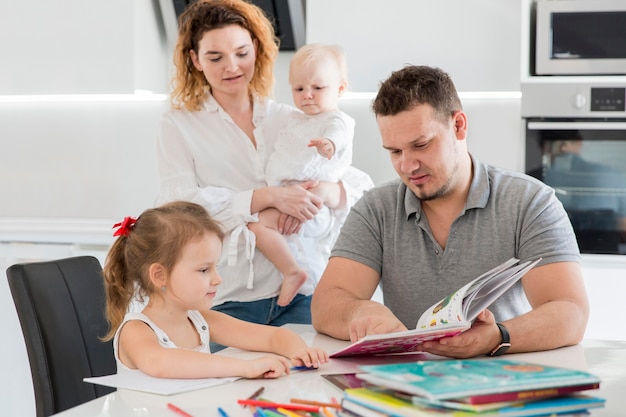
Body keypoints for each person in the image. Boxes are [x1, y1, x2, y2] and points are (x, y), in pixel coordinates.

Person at [311, 65, 590, 359]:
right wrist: (360, 312)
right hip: (407, 382)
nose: (407, 166)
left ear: (458, 125)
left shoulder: (530, 202)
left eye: (421, 145)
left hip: (501, 380)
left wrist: (497, 336)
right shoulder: (376, 208)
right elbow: (326, 304)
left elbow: (570, 313)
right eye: (395, 151)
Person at [155, 0, 373, 341]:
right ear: (195, 60)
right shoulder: (180, 125)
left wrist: (320, 193)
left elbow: (359, 186)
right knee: (227, 393)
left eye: (241, 52)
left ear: (256, 49)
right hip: (229, 297)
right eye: (215, 57)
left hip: (306, 293)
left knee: (308, 389)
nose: (232, 66)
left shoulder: (291, 118)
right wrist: (267, 197)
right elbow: (178, 204)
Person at [102, 201, 328, 379]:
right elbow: (160, 363)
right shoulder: (136, 331)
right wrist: (245, 367)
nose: (218, 279)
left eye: (215, 267)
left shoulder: (201, 321)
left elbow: (273, 337)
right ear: (159, 275)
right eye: (203, 270)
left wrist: (299, 351)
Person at [250, 43, 354, 307]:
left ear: (340, 88)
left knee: (257, 225)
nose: (307, 95)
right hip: (291, 200)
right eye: (299, 89)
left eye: (318, 88)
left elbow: (338, 135)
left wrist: (328, 144)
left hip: (313, 206)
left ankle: (292, 272)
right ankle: (295, 271)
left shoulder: (335, 120)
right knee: (259, 225)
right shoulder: (295, 119)